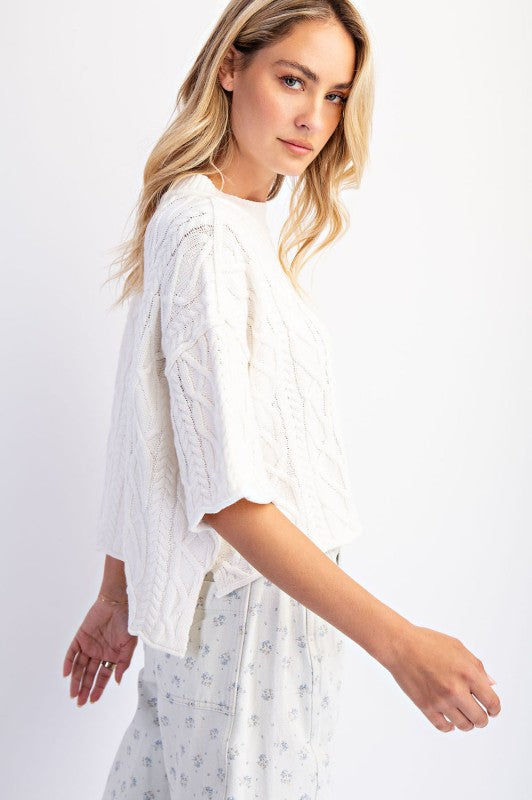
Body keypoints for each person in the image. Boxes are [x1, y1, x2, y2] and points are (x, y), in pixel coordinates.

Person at [62, 1, 501, 797]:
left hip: (219, 615)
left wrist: (118, 593)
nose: (314, 119)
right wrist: (401, 645)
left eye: (335, 95)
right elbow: (226, 492)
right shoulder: (208, 235)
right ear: (231, 67)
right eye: (293, 80)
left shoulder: (209, 217)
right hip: (250, 624)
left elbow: (147, 426)